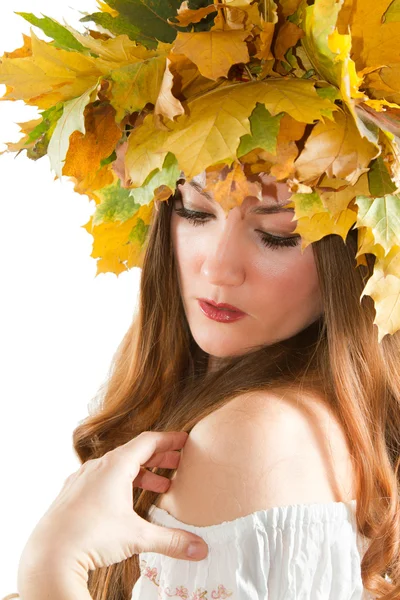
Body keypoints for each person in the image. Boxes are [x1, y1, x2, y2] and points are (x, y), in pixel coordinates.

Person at [1, 0, 400, 599]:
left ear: (357, 259)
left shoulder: (250, 436)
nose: (217, 266)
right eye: (193, 211)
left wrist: (50, 566)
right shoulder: (333, 427)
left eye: (277, 233)